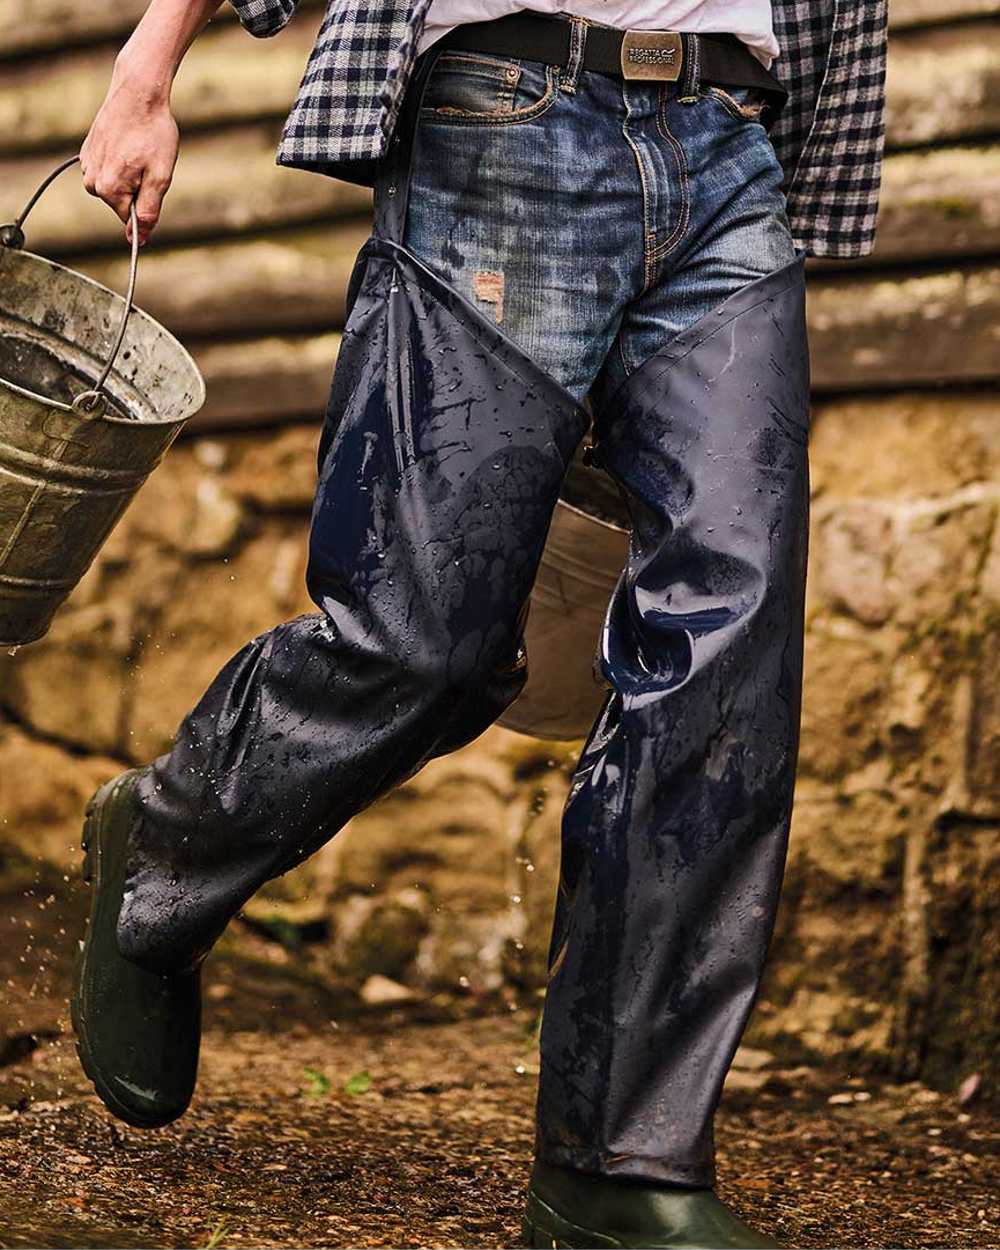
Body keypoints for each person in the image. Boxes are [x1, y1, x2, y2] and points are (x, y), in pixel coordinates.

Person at [71, 0, 887, 1244]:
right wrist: (148, 61)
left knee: (729, 648)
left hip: (730, 137)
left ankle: (619, 1162)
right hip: (504, 111)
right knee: (425, 641)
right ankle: (170, 841)